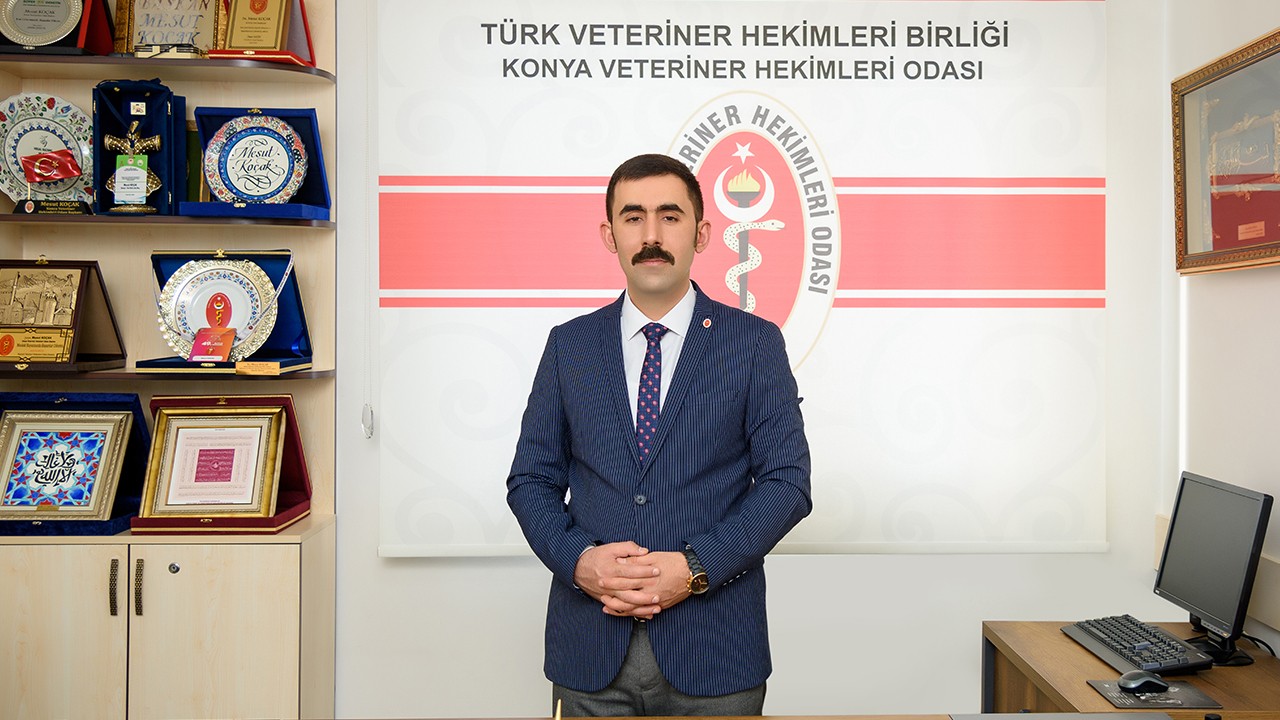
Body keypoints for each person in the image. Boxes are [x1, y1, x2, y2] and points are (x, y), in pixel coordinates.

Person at [506, 153, 812, 717]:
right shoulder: (569, 346)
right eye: (633, 217)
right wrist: (579, 561)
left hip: (717, 653)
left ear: (702, 233)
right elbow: (530, 481)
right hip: (590, 650)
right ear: (609, 235)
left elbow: (786, 485)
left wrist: (694, 568)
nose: (651, 235)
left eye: (670, 217)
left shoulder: (753, 343)